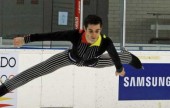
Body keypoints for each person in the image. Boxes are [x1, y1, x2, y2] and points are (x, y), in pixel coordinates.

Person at [0, 15, 142, 97]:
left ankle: (134, 60)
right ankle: (3, 89)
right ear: (84, 29)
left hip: (94, 62)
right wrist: (26, 39)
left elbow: (113, 55)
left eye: (97, 31)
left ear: (101, 30)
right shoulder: (76, 35)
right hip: (69, 57)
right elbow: (51, 36)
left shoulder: (105, 41)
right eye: (90, 31)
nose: (94, 35)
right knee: (37, 70)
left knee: (121, 57)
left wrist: (119, 68)